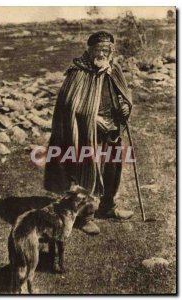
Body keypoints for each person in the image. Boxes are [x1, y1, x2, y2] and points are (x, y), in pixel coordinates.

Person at [44, 31, 134, 235]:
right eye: (99, 49)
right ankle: (86, 216)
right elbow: (68, 105)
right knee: (86, 172)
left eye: (107, 49)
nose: (103, 53)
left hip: (112, 128)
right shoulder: (79, 72)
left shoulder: (113, 69)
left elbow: (121, 93)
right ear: (90, 49)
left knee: (112, 169)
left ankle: (108, 207)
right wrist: (91, 119)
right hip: (86, 132)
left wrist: (126, 106)